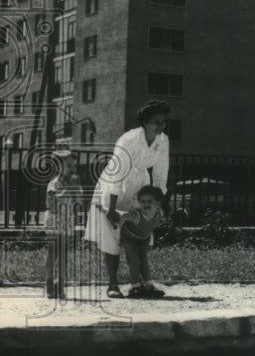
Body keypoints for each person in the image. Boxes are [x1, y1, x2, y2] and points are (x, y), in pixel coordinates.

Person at [85, 100, 170, 299]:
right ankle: (112, 285)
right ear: (145, 123)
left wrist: (157, 205)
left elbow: (160, 174)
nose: (160, 126)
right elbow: (116, 174)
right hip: (116, 185)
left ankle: (142, 283)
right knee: (112, 235)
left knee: (140, 235)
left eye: (163, 122)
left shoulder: (163, 140)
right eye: (156, 122)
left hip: (141, 186)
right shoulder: (128, 139)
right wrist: (113, 209)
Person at [43, 150, 84, 300]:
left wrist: (77, 191)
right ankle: (49, 283)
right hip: (55, 220)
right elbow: (52, 205)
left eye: (74, 166)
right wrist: (69, 189)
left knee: (63, 254)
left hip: (67, 221)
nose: (72, 169)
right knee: (52, 252)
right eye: (68, 166)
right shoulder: (54, 183)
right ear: (58, 167)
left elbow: (79, 203)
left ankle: (60, 285)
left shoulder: (74, 183)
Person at [120, 185, 166, 298]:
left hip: (143, 238)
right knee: (134, 260)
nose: (146, 204)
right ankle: (135, 286)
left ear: (158, 203)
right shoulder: (136, 215)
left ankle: (148, 284)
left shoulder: (160, 213)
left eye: (150, 201)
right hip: (129, 237)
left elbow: (152, 224)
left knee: (143, 260)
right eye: (143, 201)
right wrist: (117, 230)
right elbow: (123, 216)